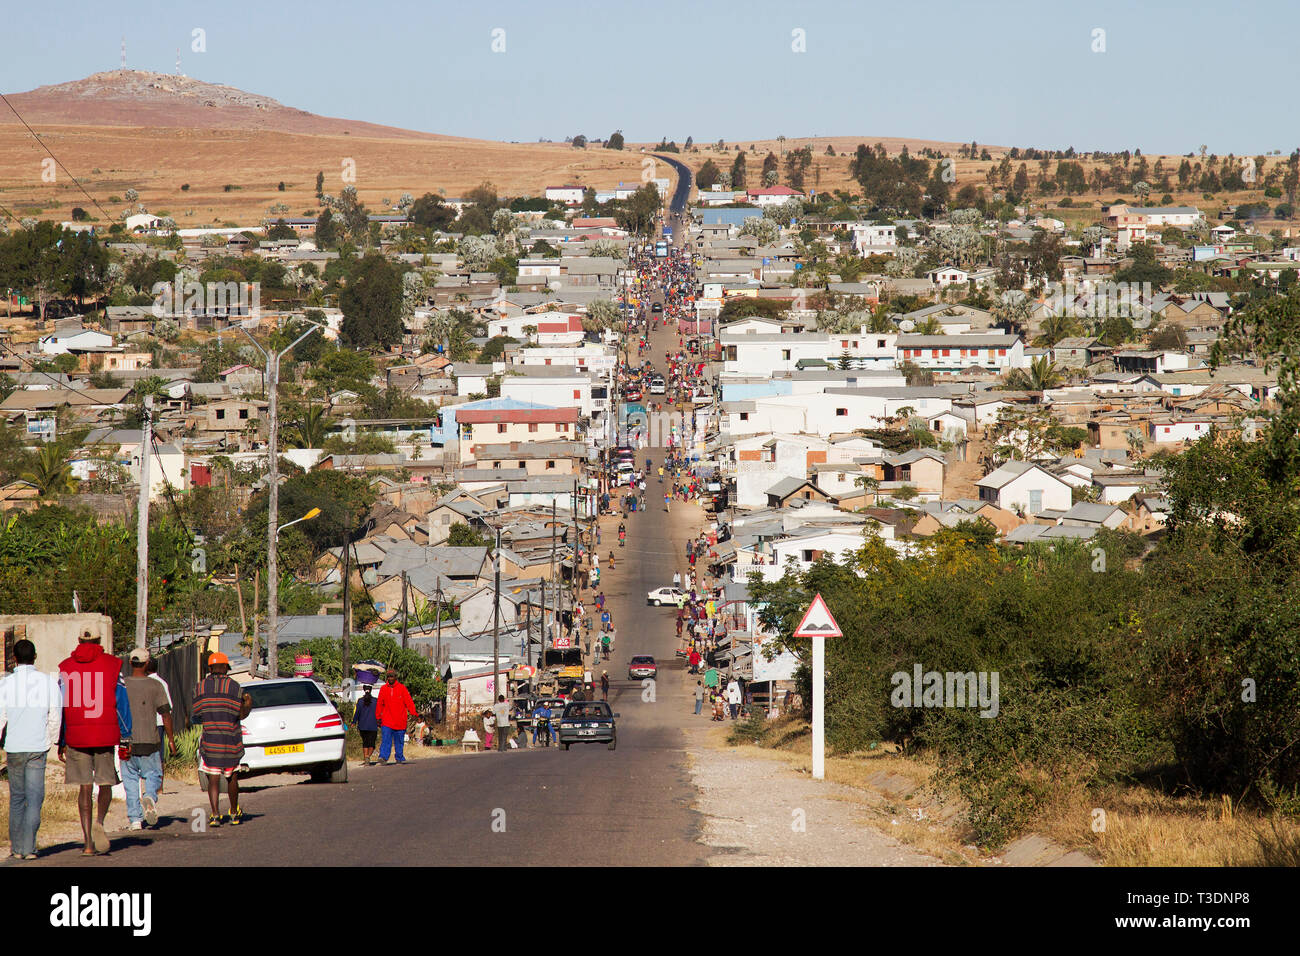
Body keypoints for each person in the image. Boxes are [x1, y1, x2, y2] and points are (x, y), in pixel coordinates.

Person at [58, 630, 124, 854]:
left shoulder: (66, 667)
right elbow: (121, 701)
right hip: (104, 734)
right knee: (105, 782)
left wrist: (62, 739)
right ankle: (100, 822)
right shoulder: (113, 664)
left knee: (84, 788)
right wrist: (126, 734)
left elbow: (62, 705)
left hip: (76, 736)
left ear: (79, 641)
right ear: (99, 641)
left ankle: (87, 844)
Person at [0, 639, 61, 860]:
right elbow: (55, 715)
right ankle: (29, 847)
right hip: (37, 746)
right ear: (35, 657)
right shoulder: (47, 683)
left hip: (14, 747)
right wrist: (54, 739)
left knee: (17, 797)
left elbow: (0, 716)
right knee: (35, 798)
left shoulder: (5, 684)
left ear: (14, 659)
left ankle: (16, 848)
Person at [193, 652, 252, 829]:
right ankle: (234, 813)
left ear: (210, 668)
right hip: (231, 740)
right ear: (226, 668)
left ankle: (215, 815)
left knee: (213, 779)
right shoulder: (235, 687)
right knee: (232, 777)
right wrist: (248, 704)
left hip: (210, 740)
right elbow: (240, 714)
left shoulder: (200, 687)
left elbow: (196, 714)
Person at [121, 648, 177, 831]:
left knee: (130, 781)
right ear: (147, 664)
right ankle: (150, 796)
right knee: (154, 773)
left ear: (130, 663)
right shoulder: (155, 686)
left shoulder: (122, 685)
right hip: (149, 740)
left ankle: (135, 820)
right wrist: (170, 739)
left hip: (125, 741)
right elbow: (165, 714)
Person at [376, 668, 417, 764]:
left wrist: (413, 713)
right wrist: (378, 717)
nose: (390, 678)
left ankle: (399, 757)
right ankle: (383, 757)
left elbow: (409, 702)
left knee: (399, 741)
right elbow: (379, 704)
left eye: (392, 676)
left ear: (395, 677)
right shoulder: (383, 689)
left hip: (400, 720)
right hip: (387, 720)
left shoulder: (402, 688)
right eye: (388, 677)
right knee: (386, 739)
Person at [354, 683, 380, 764]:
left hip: (362, 725)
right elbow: (379, 712)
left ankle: (366, 758)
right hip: (373, 725)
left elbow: (357, 713)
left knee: (365, 743)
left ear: (364, 690)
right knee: (372, 743)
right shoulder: (376, 701)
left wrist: (354, 721)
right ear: (371, 690)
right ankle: (368, 756)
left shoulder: (360, 701)